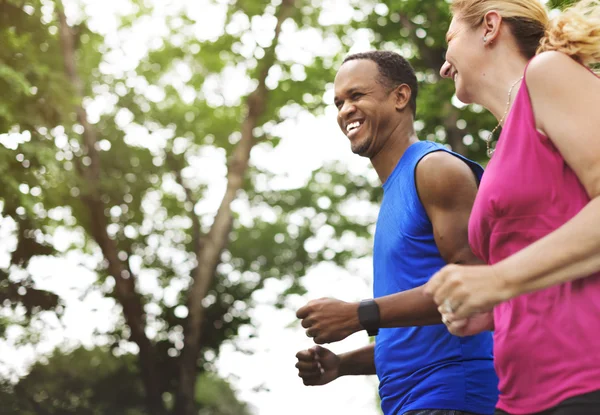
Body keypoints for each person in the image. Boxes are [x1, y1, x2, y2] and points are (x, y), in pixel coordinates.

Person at [294, 51, 498, 415]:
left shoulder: (434, 168)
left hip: (452, 396)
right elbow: (414, 335)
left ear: (400, 97)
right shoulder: (395, 192)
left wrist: (358, 315)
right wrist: (342, 364)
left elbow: (478, 289)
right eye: (338, 102)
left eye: (357, 96)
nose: (344, 111)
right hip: (408, 402)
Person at [424, 1, 600, 414]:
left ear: (489, 27)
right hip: (519, 394)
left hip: (586, 376)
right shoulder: (504, 146)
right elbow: (542, 252)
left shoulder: (549, 72)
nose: (444, 66)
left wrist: (498, 279)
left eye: (450, 40)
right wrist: (491, 309)